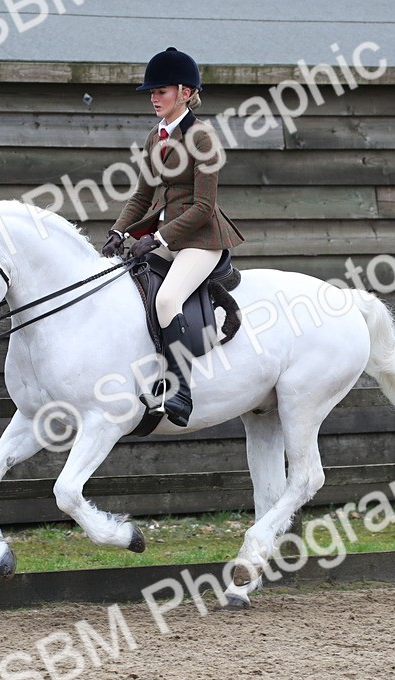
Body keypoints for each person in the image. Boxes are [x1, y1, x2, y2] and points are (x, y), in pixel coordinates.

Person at [102, 46, 244, 427]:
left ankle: (180, 389)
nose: (153, 97)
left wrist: (160, 238)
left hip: (202, 239)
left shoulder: (202, 138)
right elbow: (142, 195)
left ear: (185, 92)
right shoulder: (155, 136)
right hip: (165, 238)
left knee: (166, 300)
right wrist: (119, 231)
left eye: (160, 91)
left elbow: (202, 206)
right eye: (151, 92)